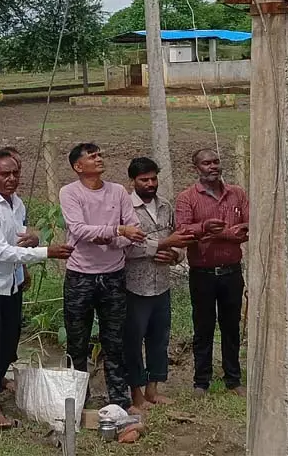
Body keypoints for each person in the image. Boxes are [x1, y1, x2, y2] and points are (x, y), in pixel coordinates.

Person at [0, 150, 73, 428]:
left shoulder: (16, 203)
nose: (12, 178)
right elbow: (1, 252)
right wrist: (46, 251)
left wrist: (30, 248)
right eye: (4, 174)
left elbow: (17, 240)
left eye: (15, 173)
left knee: (8, 342)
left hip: (9, 284)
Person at [59, 143, 146, 410]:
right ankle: (77, 399)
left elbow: (135, 228)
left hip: (113, 275)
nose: (99, 159)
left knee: (114, 339)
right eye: (92, 156)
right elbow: (79, 229)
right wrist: (117, 231)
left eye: (100, 155)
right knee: (77, 340)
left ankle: (119, 398)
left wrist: (112, 236)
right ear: (78, 166)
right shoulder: (70, 193)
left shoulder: (118, 191)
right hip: (80, 275)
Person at [174, 148, 250, 398]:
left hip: (231, 272)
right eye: (206, 163)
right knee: (203, 327)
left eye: (216, 161)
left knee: (231, 326)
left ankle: (233, 378)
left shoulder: (237, 194)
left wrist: (218, 232)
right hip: (202, 273)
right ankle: (201, 381)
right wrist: (212, 230)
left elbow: (250, 224)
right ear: (196, 168)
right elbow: (184, 231)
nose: (213, 166)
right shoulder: (187, 198)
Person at [124, 158, 194, 410]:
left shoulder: (165, 206)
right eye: (144, 180)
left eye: (153, 179)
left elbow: (179, 240)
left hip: (162, 284)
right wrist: (161, 246)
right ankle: (136, 393)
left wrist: (175, 254)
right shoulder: (126, 209)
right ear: (133, 181)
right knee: (133, 340)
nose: (150, 184)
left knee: (159, 338)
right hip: (134, 285)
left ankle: (153, 388)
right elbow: (127, 248)